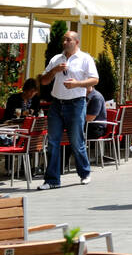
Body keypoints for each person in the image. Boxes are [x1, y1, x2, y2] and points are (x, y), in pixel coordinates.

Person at [37, 30, 99, 189]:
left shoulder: (85, 58)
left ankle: (84, 173)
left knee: (76, 141)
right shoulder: (56, 59)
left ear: (76, 42)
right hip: (57, 103)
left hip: (76, 103)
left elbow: (95, 79)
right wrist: (54, 71)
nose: (64, 42)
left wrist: (77, 84)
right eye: (64, 39)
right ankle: (52, 180)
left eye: (68, 39)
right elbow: (43, 81)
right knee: (52, 142)